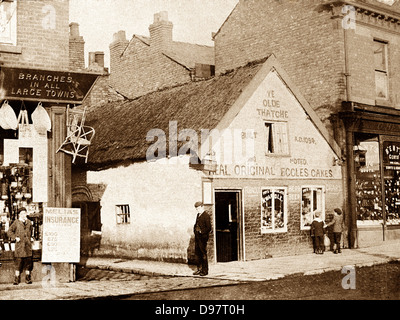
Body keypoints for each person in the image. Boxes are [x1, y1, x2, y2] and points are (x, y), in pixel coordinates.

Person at [8, 208, 34, 285]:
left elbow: (31, 231)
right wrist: (15, 237)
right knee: (18, 263)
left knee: (28, 263)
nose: (23, 215)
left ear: (26, 214)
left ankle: (27, 278)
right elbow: (9, 232)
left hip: (28, 246)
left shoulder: (29, 222)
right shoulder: (16, 222)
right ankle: (16, 279)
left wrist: (30, 238)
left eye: (24, 213)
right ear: (19, 215)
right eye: (22, 213)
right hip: (19, 246)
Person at [193, 201, 211, 276]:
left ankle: (205, 271)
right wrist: (195, 230)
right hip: (197, 237)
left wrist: (201, 231)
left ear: (202, 207)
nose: (197, 210)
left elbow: (209, 228)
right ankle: (199, 269)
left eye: (198, 208)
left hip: (203, 238)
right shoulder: (198, 215)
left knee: (203, 254)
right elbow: (196, 224)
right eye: (196, 209)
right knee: (198, 254)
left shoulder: (206, 215)